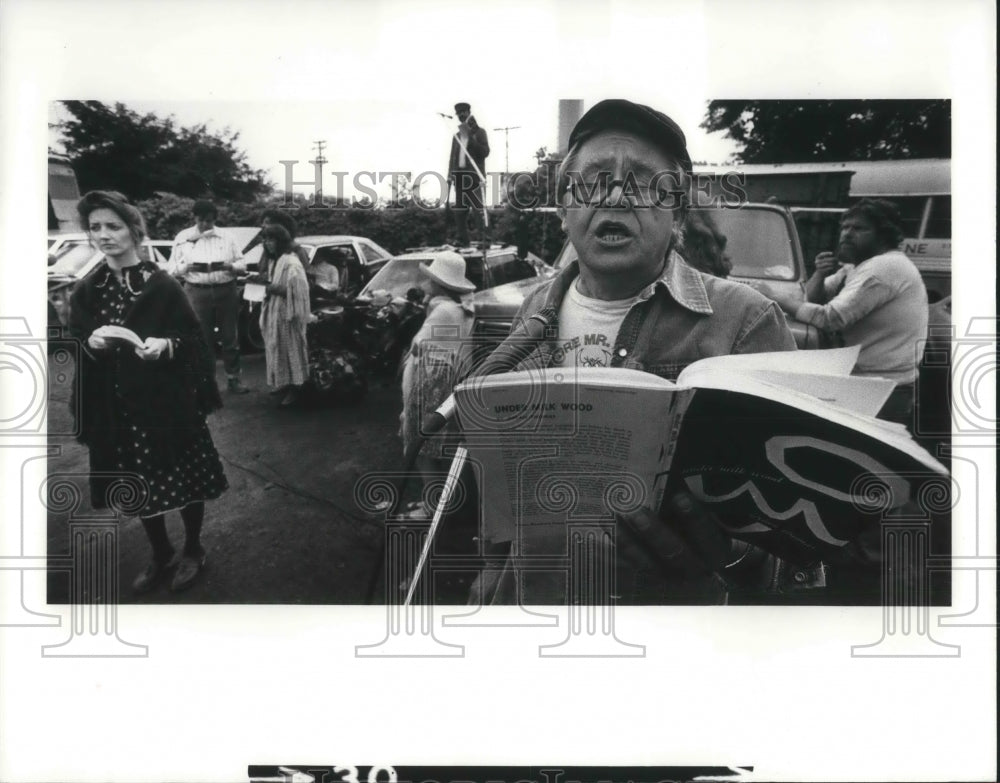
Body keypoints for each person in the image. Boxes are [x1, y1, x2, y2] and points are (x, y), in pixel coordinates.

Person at [471, 99, 798, 605]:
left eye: (645, 181)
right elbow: (503, 474)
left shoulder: (747, 320)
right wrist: (493, 570)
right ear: (564, 210)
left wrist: (729, 555)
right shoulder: (534, 308)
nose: (618, 194)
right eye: (595, 180)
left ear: (678, 215)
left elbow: (786, 532)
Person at [68, 191, 228, 593]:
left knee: (188, 479)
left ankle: (192, 549)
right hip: (119, 409)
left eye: (113, 226)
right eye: (96, 227)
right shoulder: (88, 290)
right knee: (138, 485)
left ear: (134, 231)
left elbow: (193, 340)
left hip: (170, 406)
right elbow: (76, 343)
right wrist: (93, 344)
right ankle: (161, 553)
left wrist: (167, 345)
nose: (104, 235)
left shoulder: (161, 285)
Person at [765, 198, 928, 430]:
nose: (847, 234)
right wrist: (820, 275)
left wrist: (772, 296)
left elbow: (829, 319)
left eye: (859, 228)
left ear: (884, 234)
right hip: (868, 382)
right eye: (845, 227)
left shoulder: (884, 267)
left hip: (882, 389)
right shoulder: (856, 267)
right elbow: (808, 300)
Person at [400, 252, 476, 501]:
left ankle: (433, 504)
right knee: (446, 450)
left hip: (432, 384)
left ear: (438, 282)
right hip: (451, 384)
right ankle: (451, 503)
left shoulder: (443, 309)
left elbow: (419, 346)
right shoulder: (461, 308)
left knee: (420, 449)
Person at [171, 199, 250, 394]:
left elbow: (243, 264)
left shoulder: (227, 237)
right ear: (194, 217)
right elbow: (171, 269)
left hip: (226, 289)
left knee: (230, 336)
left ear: (215, 219)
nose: (206, 225)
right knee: (201, 338)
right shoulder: (182, 237)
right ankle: (207, 382)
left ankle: (234, 379)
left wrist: (231, 267)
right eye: (202, 220)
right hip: (197, 290)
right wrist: (185, 267)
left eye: (210, 221)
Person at [258, 223, 311, 408]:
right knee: (277, 349)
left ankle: (296, 389)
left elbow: (299, 290)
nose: (267, 243)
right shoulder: (275, 261)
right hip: (275, 312)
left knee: (291, 351)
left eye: (271, 239)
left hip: (288, 314)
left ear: (280, 241)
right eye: (265, 240)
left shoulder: (291, 262)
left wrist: (271, 288)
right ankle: (284, 383)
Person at [447, 102, 490, 247]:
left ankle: (485, 239)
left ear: (469, 112)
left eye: (463, 113)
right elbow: (453, 157)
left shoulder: (479, 132)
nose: (461, 116)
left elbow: (485, 152)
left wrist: (471, 138)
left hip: (474, 177)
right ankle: (462, 239)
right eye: (459, 114)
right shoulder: (457, 136)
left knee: (478, 209)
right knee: (459, 210)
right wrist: (450, 175)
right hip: (459, 177)